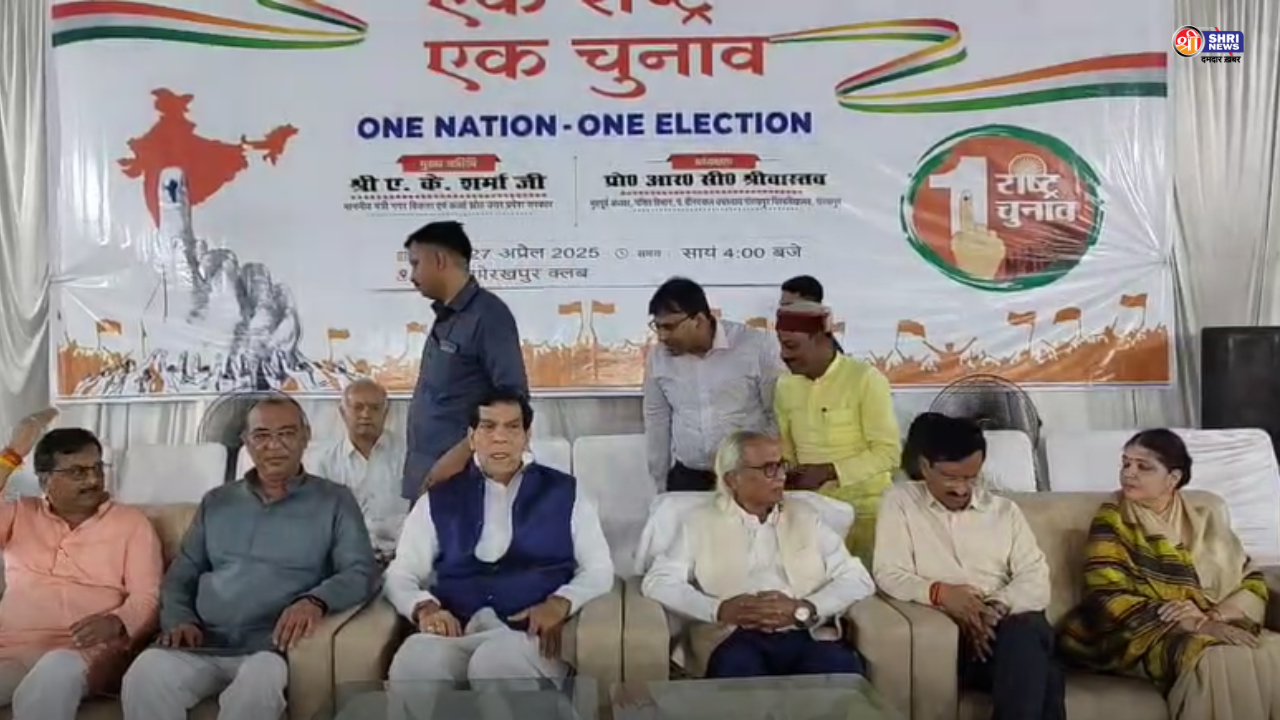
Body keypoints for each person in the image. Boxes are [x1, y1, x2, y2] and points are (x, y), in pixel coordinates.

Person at [121, 396, 378, 720]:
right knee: (144, 674)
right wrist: (179, 619)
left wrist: (315, 601)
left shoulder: (335, 500)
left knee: (258, 684)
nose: (274, 446)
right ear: (246, 441)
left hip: (268, 647)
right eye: (261, 435)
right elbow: (182, 574)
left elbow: (360, 570)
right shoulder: (217, 501)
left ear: (306, 436)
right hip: (201, 641)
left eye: (287, 433)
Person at [383, 390, 613, 684]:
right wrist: (425, 609)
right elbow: (400, 573)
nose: (500, 438)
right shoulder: (438, 499)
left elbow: (598, 569)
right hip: (457, 631)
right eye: (489, 427)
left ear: (527, 436)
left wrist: (560, 603)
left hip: (527, 637)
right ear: (472, 437)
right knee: (414, 663)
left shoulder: (566, 493)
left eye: (512, 427)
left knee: (494, 664)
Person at [1057, 429, 1280, 719]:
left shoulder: (1204, 517)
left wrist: (1215, 616)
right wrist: (1192, 623)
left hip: (1209, 617)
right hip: (1139, 632)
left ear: (1173, 478)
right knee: (1216, 656)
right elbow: (1105, 593)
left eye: (1143, 466)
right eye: (1125, 463)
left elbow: (1248, 577)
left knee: (1267, 651)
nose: (1128, 473)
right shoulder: (1113, 518)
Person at [873, 414, 1064, 720]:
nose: (962, 490)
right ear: (925, 466)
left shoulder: (1004, 511)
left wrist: (993, 608)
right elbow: (889, 572)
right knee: (1044, 672)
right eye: (951, 477)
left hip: (1007, 623)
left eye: (971, 478)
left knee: (1023, 633)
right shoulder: (901, 502)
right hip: (955, 638)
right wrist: (942, 593)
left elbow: (1035, 577)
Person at [641, 430, 873, 678]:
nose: (782, 476)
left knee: (840, 671)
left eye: (782, 465)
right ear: (733, 479)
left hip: (805, 632)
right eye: (769, 469)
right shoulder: (700, 523)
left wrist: (806, 607)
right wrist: (717, 609)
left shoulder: (807, 516)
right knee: (740, 674)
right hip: (733, 636)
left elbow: (857, 578)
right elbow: (659, 581)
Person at [0, 415, 163, 720]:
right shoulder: (19, 513)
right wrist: (11, 455)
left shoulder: (131, 524)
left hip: (84, 653)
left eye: (97, 468)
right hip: (11, 649)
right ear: (45, 480)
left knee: (55, 672)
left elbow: (148, 596)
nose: (92, 480)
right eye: (77, 472)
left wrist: (118, 621)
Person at [402, 220, 528, 499]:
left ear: (439, 260)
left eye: (416, 263)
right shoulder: (447, 317)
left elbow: (513, 397)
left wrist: (459, 457)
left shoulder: (489, 316)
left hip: (462, 477)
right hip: (428, 471)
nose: (412, 276)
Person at [774, 301, 900, 563]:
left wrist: (829, 471)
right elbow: (787, 449)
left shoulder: (865, 379)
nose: (784, 355)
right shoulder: (785, 385)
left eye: (792, 346)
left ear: (821, 339)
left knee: (864, 585)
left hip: (865, 513)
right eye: (781, 345)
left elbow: (888, 453)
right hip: (810, 512)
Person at [643, 277, 784, 491]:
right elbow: (657, 418)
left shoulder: (755, 346)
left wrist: (769, 469)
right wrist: (660, 481)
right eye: (657, 327)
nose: (662, 336)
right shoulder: (658, 357)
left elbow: (776, 411)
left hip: (747, 476)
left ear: (699, 320)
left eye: (669, 327)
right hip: (689, 476)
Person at [309, 379, 409, 562]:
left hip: (403, 557)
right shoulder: (326, 462)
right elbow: (321, 520)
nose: (366, 414)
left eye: (374, 408)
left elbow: (420, 514)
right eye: (358, 407)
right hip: (347, 559)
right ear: (342, 412)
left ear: (386, 412)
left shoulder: (408, 456)